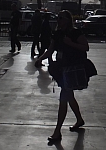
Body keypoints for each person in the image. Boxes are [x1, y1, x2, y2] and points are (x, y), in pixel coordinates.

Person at [35, 10, 89, 142]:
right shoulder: (57, 34)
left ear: (68, 20)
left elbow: (85, 47)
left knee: (64, 97)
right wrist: (40, 59)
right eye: (58, 18)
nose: (59, 20)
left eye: (61, 18)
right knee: (69, 96)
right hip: (62, 69)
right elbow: (50, 50)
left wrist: (70, 42)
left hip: (73, 69)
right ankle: (79, 120)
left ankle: (57, 131)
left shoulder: (75, 32)